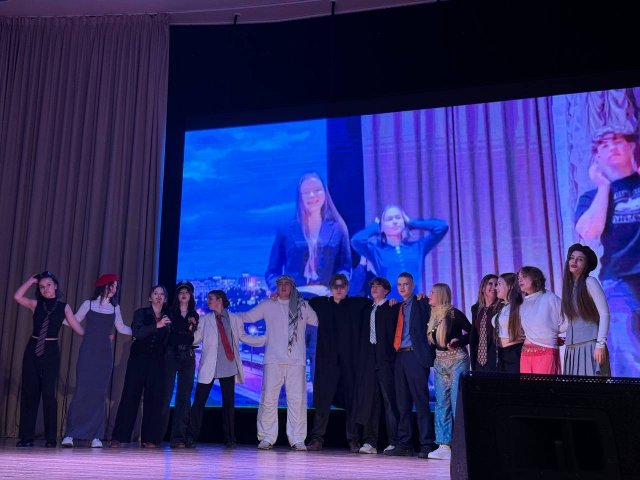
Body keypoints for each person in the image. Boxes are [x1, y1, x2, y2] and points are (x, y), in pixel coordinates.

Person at [575, 129, 640, 377]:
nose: (611, 146)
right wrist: (604, 187)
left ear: (631, 147)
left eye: (617, 141)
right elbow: (589, 231)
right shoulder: (592, 196)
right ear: (597, 158)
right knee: (627, 354)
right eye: (603, 145)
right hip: (619, 281)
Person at [241, 275, 318, 451]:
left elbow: (316, 320)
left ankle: (297, 438)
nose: (283, 287)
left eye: (287, 284)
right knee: (268, 399)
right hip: (273, 360)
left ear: (292, 287)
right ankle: (266, 437)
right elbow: (247, 317)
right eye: (280, 284)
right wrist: (225, 314)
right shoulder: (268, 305)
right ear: (276, 286)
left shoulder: (302, 306)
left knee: (297, 400)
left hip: (296, 361)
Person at [14, 271, 85, 447]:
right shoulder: (35, 304)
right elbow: (17, 297)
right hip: (33, 350)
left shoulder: (64, 307)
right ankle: (26, 437)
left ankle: (51, 438)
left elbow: (79, 329)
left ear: (56, 286)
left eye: (48, 285)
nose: (45, 289)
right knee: (30, 393)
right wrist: (31, 281)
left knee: (48, 394)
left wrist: (100, 336)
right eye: (41, 286)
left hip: (51, 351)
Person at [188, 290, 264, 448]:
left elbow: (244, 337)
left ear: (220, 300)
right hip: (209, 365)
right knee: (199, 403)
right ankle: (191, 437)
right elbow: (195, 339)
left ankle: (230, 439)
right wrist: (189, 330)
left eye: (210, 298)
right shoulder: (205, 320)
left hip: (228, 365)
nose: (208, 301)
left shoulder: (234, 319)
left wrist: (265, 339)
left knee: (228, 404)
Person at [62, 274, 131, 448]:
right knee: (82, 391)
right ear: (104, 285)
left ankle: (96, 435)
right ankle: (70, 434)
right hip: (88, 352)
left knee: (99, 394)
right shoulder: (89, 304)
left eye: (116, 286)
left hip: (104, 355)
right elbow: (74, 320)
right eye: (112, 285)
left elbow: (122, 328)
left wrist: (142, 331)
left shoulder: (115, 308)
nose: (114, 289)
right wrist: (55, 319)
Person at [306, 274, 370, 453]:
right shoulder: (321, 304)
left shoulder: (358, 304)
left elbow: (379, 303)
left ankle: (353, 439)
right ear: (330, 288)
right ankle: (317, 439)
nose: (339, 289)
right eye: (336, 286)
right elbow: (299, 302)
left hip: (350, 362)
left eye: (342, 286)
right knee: (323, 400)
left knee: (352, 401)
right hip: (327, 362)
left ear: (347, 287)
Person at [265, 172, 352, 295]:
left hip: (327, 298)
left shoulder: (338, 229)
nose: (312, 195)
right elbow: (272, 272)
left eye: (317, 190)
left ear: (325, 192)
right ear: (300, 197)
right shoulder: (285, 230)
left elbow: (345, 267)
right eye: (306, 192)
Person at [109, 285, 171, 448]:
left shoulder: (168, 317)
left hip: (157, 362)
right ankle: (119, 437)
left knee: (154, 398)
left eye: (162, 294)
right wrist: (156, 326)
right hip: (138, 360)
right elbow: (137, 332)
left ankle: (149, 438)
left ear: (165, 299)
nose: (158, 296)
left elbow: (168, 340)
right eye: (155, 293)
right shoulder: (141, 313)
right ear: (150, 298)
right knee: (130, 396)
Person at [384, 272, 435, 458]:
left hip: (415, 356)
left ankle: (427, 444)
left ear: (413, 286)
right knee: (402, 403)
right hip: (400, 356)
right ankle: (404, 444)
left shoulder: (421, 303)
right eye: (399, 284)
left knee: (421, 402)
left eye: (406, 284)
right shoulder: (396, 306)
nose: (402, 287)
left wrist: (426, 300)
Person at [351, 205, 448, 299]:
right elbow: (356, 240)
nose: (394, 221)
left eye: (398, 217)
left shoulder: (417, 247)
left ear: (404, 222)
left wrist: (412, 223)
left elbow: (442, 227)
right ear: (382, 226)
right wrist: (376, 227)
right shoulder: (377, 251)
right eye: (389, 219)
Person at [353, 277, 399, 455]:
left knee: (389, 402)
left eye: (378, 286)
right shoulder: (367, 309)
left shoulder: (392, 307)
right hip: (369, 362)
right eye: (372, 286)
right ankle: (370, 441)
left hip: (386, 361)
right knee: (370, 402)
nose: (374, 288)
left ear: (386, 291)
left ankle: (394, 441)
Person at [426, 283, 471, 461]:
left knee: (456, 401)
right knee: (441, 403)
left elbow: (472, 332)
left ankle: (461, 445)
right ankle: (444, 445)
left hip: (457, 360)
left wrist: (459, 341)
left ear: (441, 295)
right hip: (440, 362)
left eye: (432, 293)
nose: (429, 295)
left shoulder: (454, 314)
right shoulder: (433, 315)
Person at [562, 244, 611, 376]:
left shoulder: (590, 282)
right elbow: (570, 321)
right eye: (572, 258)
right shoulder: (569, 288)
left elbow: (605, 314)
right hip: (572, 350)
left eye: (580, 259)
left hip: (589, 346)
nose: (574, 261)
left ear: (586, 265)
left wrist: (600, 344)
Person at [161, 281, 199, 448]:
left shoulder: (194, 315)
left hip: (188, 356)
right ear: (177, 296)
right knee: (166, 393)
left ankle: (178, 438)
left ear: (190, 296)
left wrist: (190, 326)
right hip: (171, 354)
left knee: (184, 397)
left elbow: (189, 336)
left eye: (187, 292)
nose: (184, 294)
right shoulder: (170, 312)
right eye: (181, 292)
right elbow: (170, 335)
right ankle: (156, 436)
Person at [513, 267, 565, 375]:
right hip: (526, 353)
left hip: (546, 350)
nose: (520, 280)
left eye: (524, 276)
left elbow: (568, 320)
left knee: (543, 384)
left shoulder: (550, 298)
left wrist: (553, 332)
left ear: (535, 278)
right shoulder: (524, 304)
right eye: (519, 278)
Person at [491, 273, 523, 373]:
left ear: (510, 286)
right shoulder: (503, 307)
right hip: (501, 353)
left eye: (499, 284)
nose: (496, 287)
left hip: (514, 352)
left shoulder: (520, 307)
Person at [469, 274, 499, 372]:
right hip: (478, 359)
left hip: (495, 359)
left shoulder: (501, 308)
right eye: (490, 284)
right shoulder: (476, 309)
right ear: (483, 288)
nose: (494, 287)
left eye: (496, 284)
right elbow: (473, 334)